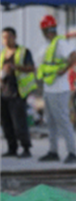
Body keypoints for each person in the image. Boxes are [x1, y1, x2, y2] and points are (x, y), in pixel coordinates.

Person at [37, 15, 76, 164]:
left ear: (46, 30)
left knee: (63, 121)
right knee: (51, 122)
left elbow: (74, 55)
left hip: (60, 90)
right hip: (49, 89)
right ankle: (53, 151)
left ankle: (72, 153)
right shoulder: (49, 44)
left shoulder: (61, 43)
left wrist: (64, 69)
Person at [1, 27, 36, 158]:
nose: (5, 40)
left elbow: (31, 68)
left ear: (14, 37)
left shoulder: (23, 52)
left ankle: (26, 148)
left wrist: (15, 67)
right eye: (3, 37)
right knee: (6, 123)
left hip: (18, 92)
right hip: (4, 93)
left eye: (8, 37)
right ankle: (12, 148)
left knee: (19, 123)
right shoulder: (2, 54)